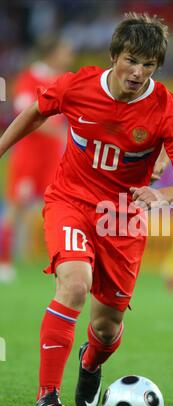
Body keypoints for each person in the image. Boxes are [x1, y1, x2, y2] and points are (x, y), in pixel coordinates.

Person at [0, 13, 173, 406]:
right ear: (115, 55)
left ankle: (91, 363)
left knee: (108, 327)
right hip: (71, 202)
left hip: (123, 219)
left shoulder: (165, 108)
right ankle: (48, 396)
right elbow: (37, 111)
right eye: (131, 60)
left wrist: (161, 193)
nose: (138, 72)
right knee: (75, 285)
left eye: (148, 65)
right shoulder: (78, 85)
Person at [0, 37, 74, 282]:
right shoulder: (30, 78)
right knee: (15, 208)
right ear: (52, 53)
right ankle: (3, 262)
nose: (69, 56)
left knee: (56, 208)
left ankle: (59, 262)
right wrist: (60, 132)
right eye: (65, 51)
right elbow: (24, 115)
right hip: (29, 156)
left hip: (53, 157)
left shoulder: (64, 80)